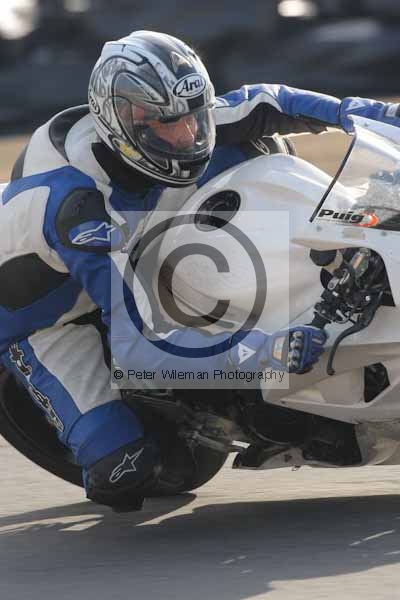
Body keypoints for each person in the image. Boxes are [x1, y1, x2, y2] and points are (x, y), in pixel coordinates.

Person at [1, 30, 399, 511]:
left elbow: (270, 101)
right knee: (122, 471)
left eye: (194, 117)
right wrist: (263, 351)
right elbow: (138, 344)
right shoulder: (78, 209)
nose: (186, 136)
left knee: (252, 147)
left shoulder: (179, 126)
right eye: (166, 126)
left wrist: (377, 116)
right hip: (50, 318)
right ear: (121, 123)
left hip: (142, 243)